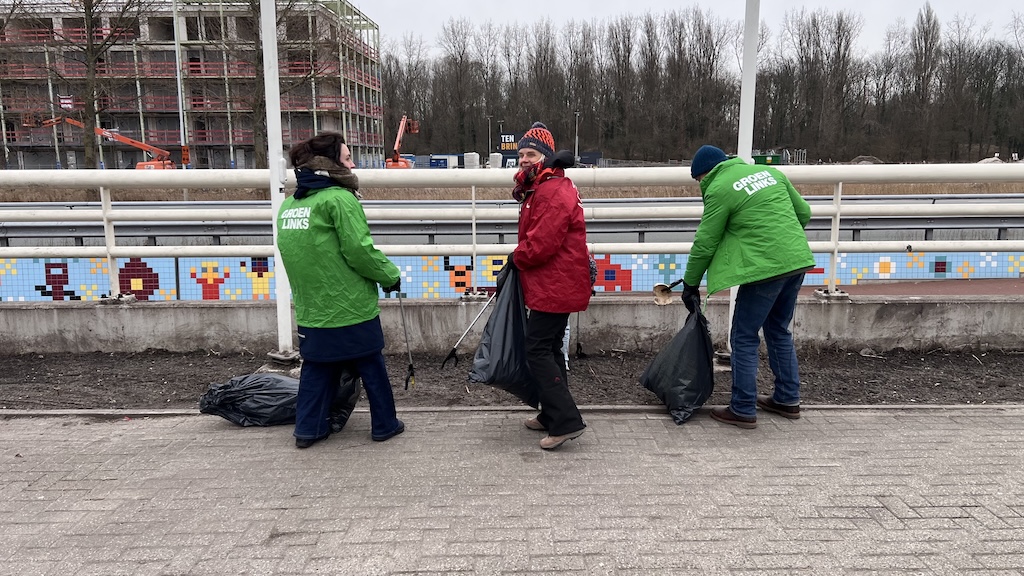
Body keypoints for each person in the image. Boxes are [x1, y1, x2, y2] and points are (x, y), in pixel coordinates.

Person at [276, 132, 405, 448]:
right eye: (347, 158)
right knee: (371, 366)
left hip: (311, 311)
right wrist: (390, 276)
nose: (353, 164)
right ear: (330, 164)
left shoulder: (289, 206)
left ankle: (308, 429)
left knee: (316, 370)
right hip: (350, 307)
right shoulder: (339, 200)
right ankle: (385, 425)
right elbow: (359, 251)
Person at [681, 144, 815, 429]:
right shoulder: (769, 171)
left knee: (743, 336)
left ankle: (742, 407)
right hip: (797, 260)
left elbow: (706, 243)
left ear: (704, 175)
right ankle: (788, 399)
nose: (700, 187)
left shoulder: (719, 188)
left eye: (698, 182)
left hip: (764, 269)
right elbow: (803, 213)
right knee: (778, 329)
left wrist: (691, 283)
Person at [502, 121, 593, 450]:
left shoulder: (551, 191)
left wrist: (516, 258)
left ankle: (566, 421)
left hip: (556, 285)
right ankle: (550, 413)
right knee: (550, 349)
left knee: (537, 349)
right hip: (556, 283)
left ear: (546, 157)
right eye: (520, 154)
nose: (524, 160)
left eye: (530, 154)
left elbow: (541, 244)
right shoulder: (543, 187)